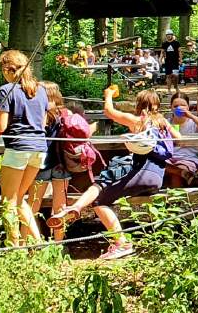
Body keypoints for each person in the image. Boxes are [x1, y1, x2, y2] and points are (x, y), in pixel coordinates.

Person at [48, 89, 176, 260]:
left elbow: (109, 112)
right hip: (158, 176)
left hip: (142, 173)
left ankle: (121, 242)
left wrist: (108, 95)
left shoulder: (138, 121)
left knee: (99, 200)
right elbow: (179, 137)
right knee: (105, 183)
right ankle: (76, 207)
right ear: (158, 105)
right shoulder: (163, 123)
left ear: (138, 105)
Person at [0, 50, 49, 246]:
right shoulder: (40, 90)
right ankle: (38, 243)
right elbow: (42, 121)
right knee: (18, 199)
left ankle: (13, 248)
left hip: (18, 149)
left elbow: (1, 127)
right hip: (39, 148)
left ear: (7, 69)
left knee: (8, 200)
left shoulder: (6, 90)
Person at [30, 81, 72, 241]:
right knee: (60, 206)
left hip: (41, 163)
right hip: (62, 163)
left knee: (33, 204)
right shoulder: (65, 113)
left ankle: (31, 243)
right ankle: (58, 243)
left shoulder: (40, 112)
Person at [166, 94, 198, 187]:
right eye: (176, 106)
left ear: (188, 106)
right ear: (171, 108)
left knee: (175, 175)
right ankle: (183, 173)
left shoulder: (194, 122)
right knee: (156, 164)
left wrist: (191, 116)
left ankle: (176, 200)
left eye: (183, 105)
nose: (179, 108)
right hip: (169, 158)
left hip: (188, 158)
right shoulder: (167, 122)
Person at [160, 29, 181, 95]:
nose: (169, 36)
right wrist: (160, 59)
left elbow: (179, 51)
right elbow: (162, 52)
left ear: (172, 35)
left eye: (170, 35)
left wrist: (180, 59)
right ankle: (169, 89)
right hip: (168, 62)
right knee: (168, 76)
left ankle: (176, 86)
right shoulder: (164, 44)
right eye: (167, 35)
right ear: (166, 36)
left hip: (175, 61)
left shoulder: (176, 43)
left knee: (175, 75)